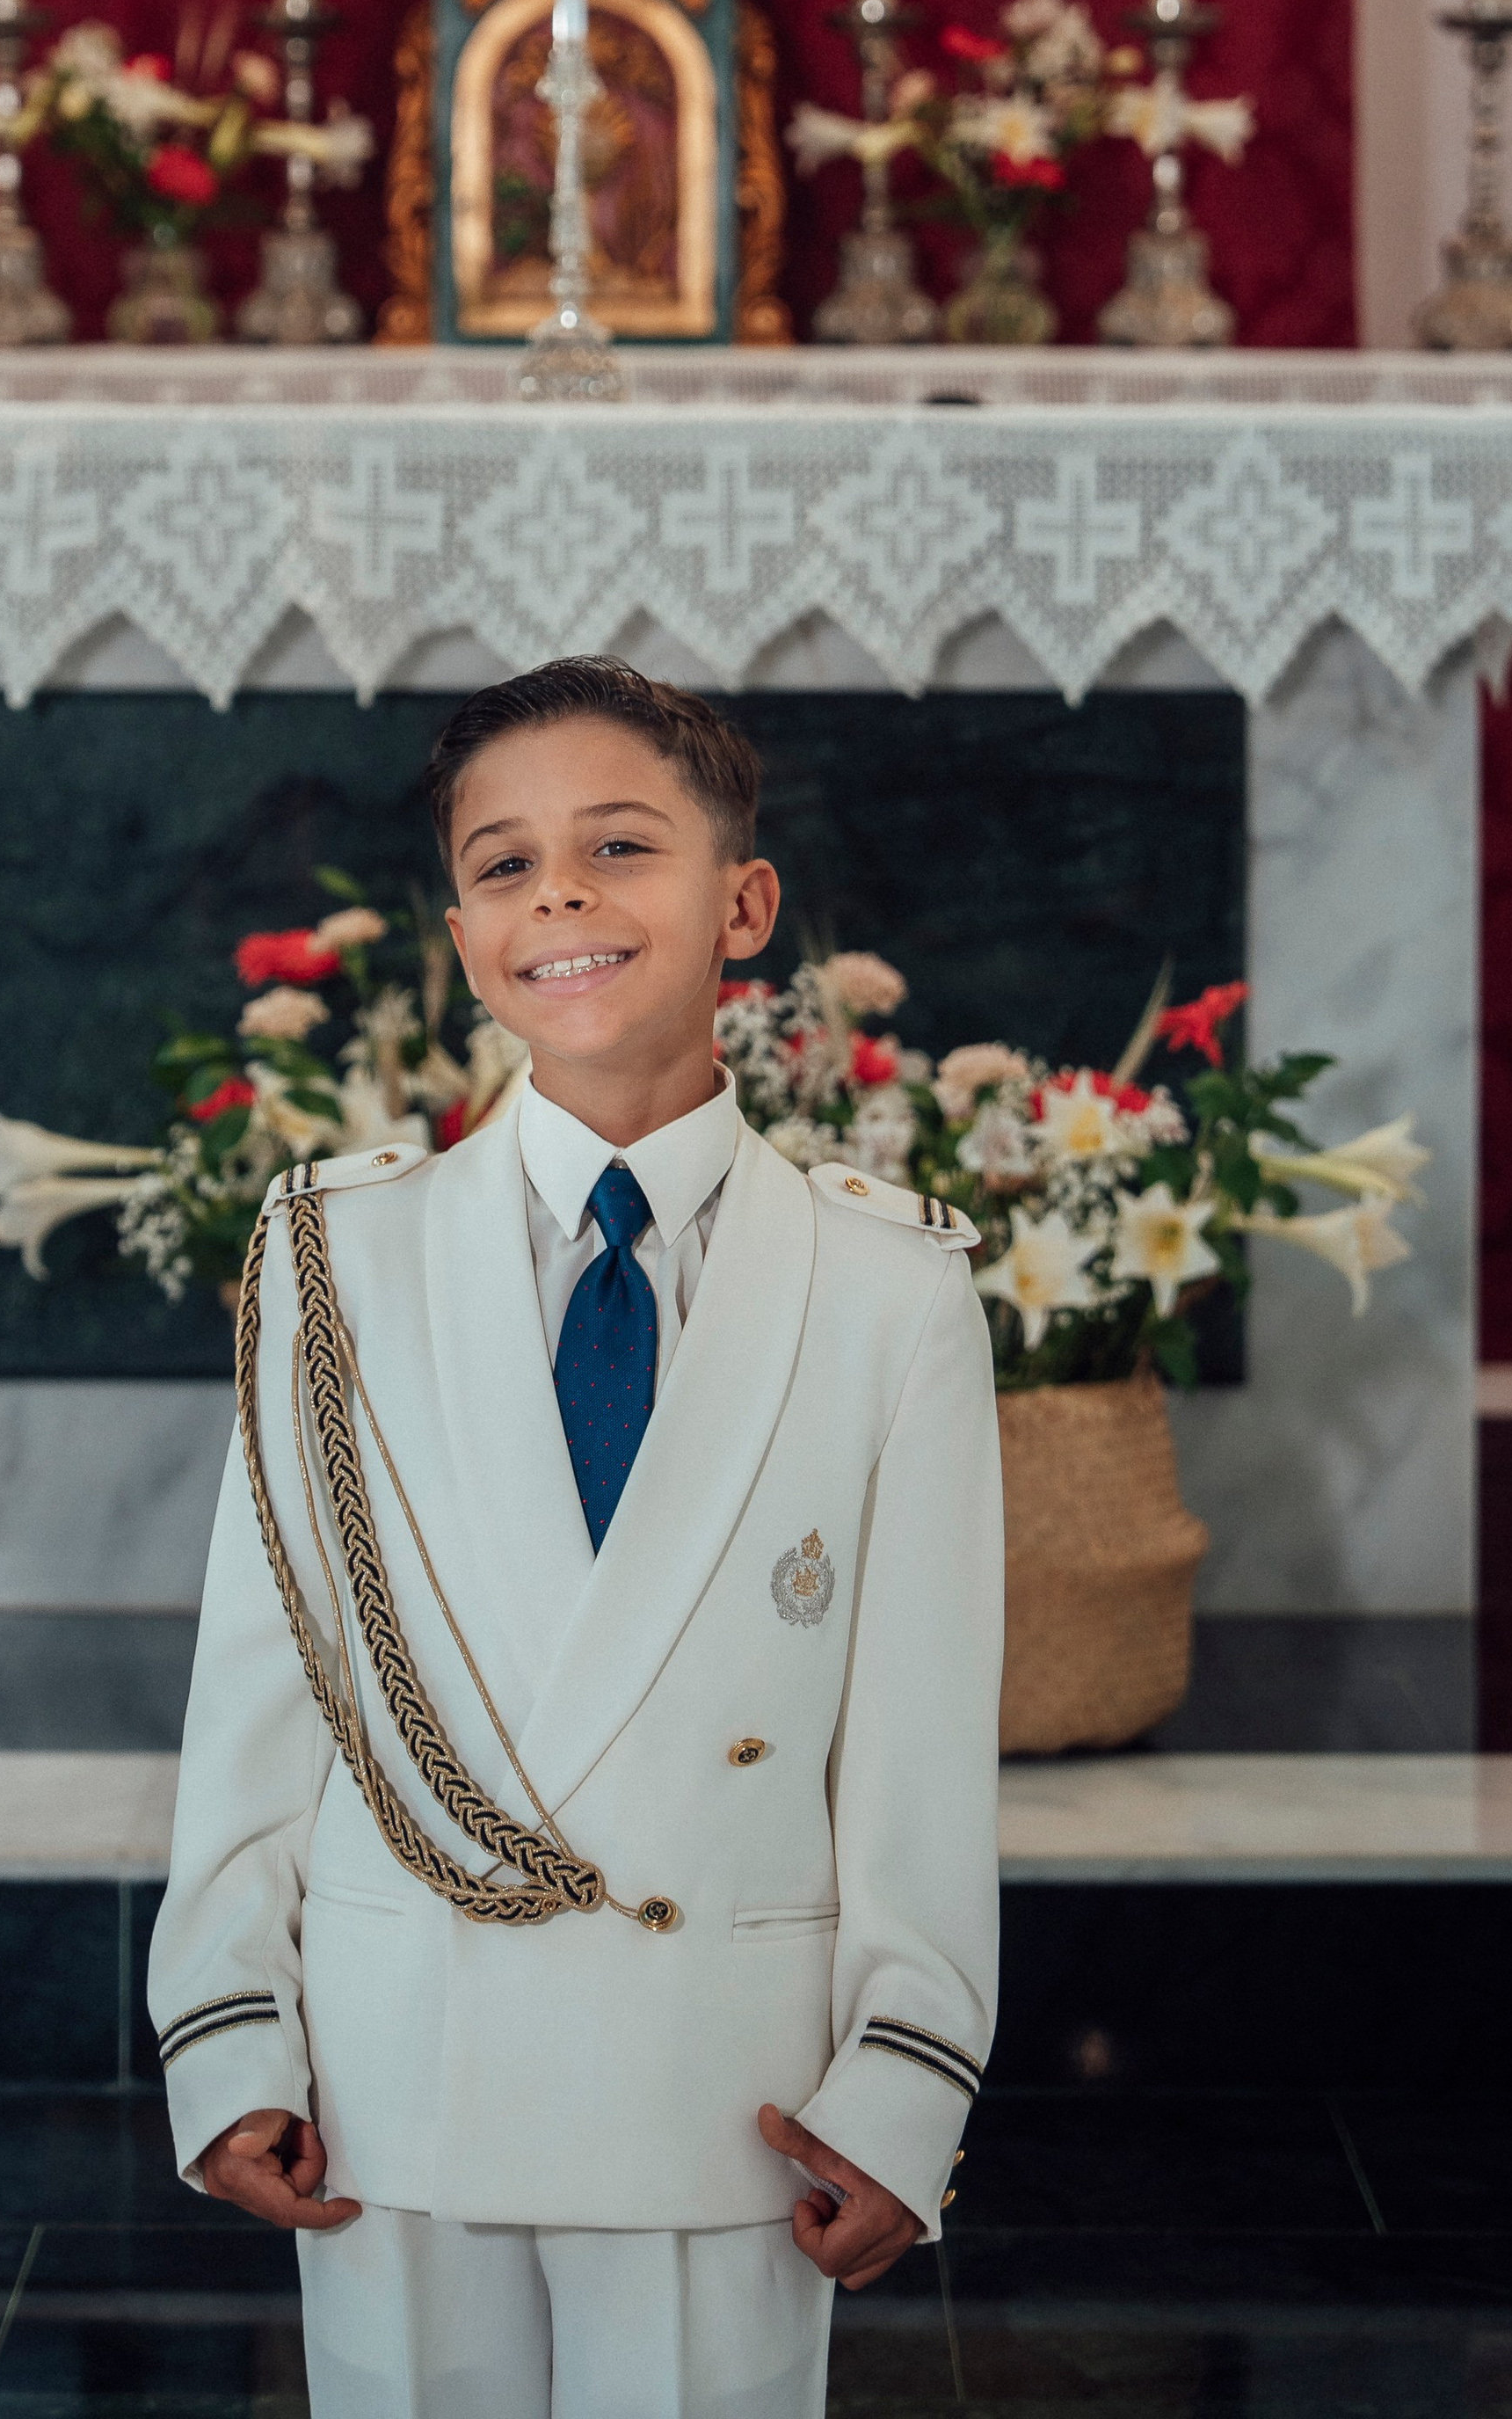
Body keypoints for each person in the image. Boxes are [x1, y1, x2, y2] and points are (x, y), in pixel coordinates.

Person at [149, 658, 1002, 2417]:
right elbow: (260, 1695)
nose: (558, 895)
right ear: (463, 935)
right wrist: (228, 2031)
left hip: (725, 2090)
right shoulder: (334, 1257)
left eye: (619, 845)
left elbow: (918, 1743)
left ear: (741, 906)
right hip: (397, 2069)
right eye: (503, 864)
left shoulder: (887, 1291)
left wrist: (904, 2079)